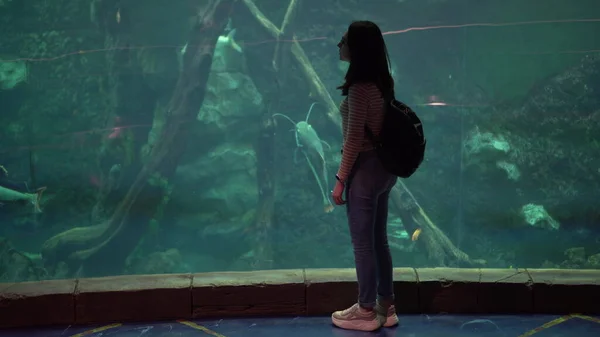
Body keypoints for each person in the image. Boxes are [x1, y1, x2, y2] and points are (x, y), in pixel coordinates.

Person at [330, 20, 399, 332]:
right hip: (385, 170)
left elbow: (354, 140)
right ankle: (387, 305)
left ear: (356, 47)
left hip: (366, 170)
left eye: (343, 39)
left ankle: (366, 311)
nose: (339, 45)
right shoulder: (384, 83)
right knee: (378, 240)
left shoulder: (360, 89)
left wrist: (341, 179)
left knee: (363, 244)